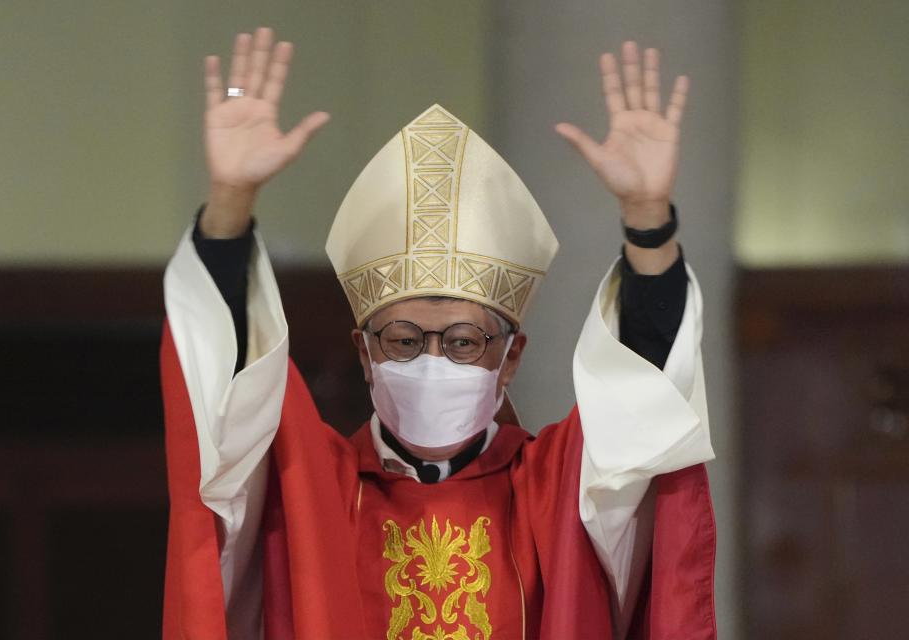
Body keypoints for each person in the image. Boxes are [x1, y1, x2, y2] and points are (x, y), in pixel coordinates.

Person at [161, 27, 715, 640]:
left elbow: (642, 406)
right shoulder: (306, 489)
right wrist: (230, 205)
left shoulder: (555, 491)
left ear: (508, 360)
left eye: (461, 342)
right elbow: (226, 400)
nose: (432, 362)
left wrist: (647, 223)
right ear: (364, 354)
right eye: (402, 339)